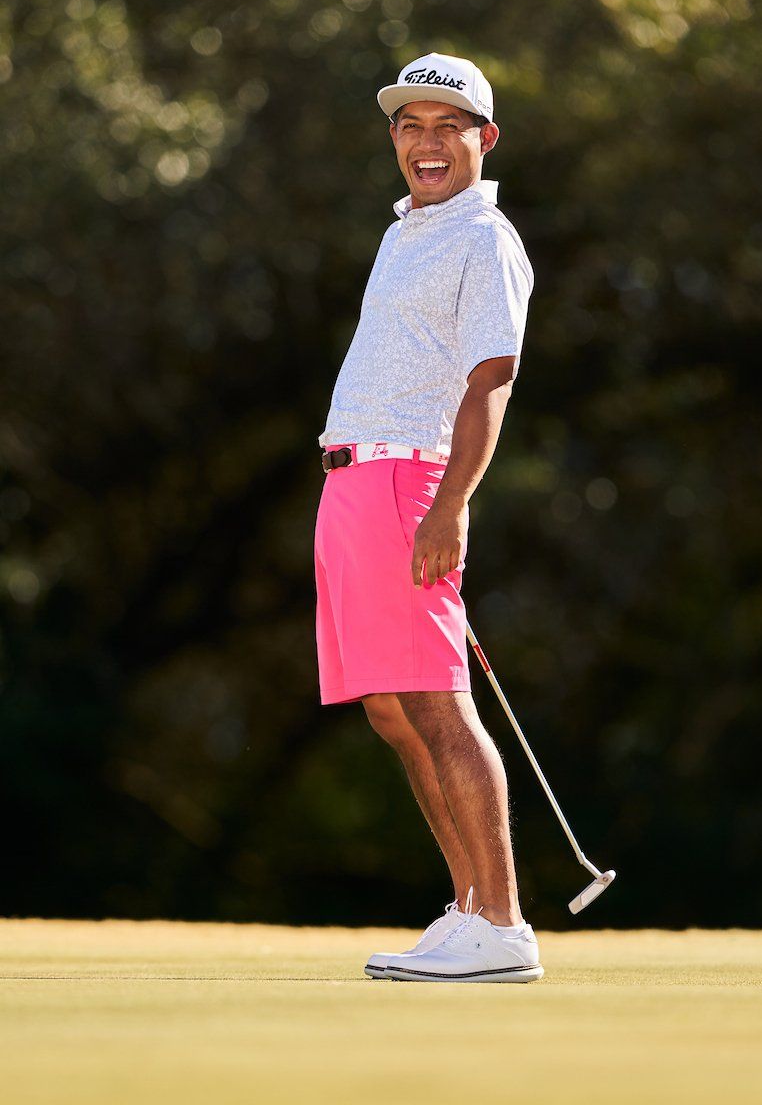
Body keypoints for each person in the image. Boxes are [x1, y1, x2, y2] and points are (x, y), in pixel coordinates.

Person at [314, 52, 541, 983]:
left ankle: (502, 922)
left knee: (435, 702)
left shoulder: (484, 236)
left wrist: (451, 506)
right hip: (354, 482)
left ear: (484, 138)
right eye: (410, 125)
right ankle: (468, 911)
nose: (427, 142)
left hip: (412, 480)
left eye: (449, 124)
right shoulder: (408, 230)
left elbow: (494, 374)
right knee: (392, 708)